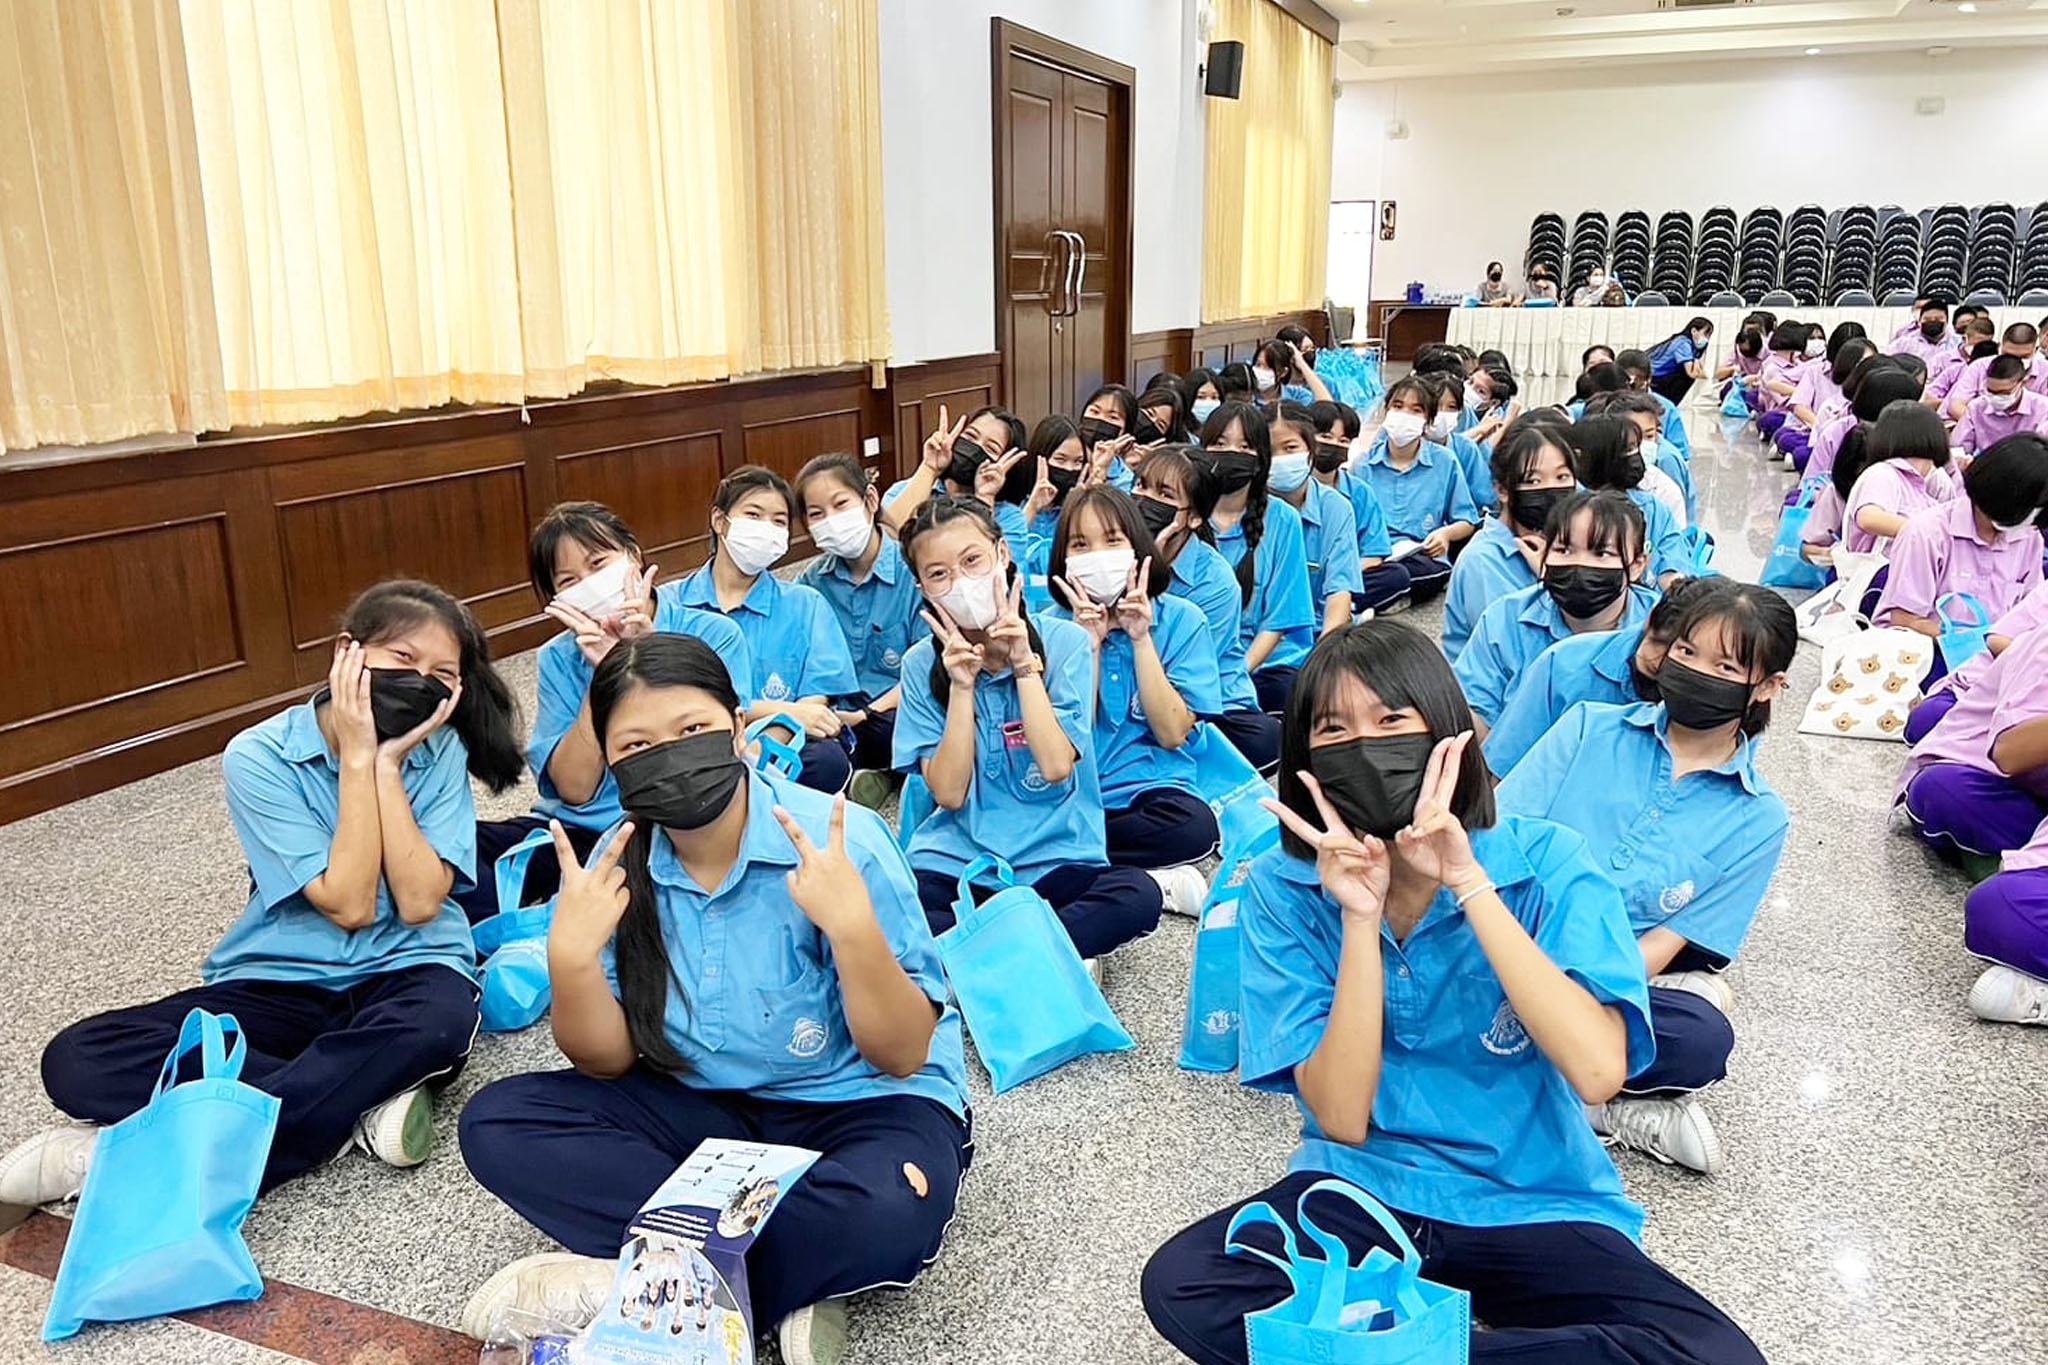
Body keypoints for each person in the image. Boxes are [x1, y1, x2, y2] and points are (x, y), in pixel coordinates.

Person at [1138, 619, 1763, 1365]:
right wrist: (1360, 920)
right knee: (1187, 1282)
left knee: (1712, 1354)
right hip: (1365, 1188)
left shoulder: (1546, 860)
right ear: (1305, 758)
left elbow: (1600, 1071)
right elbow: (1339, 1116)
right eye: (1333, 729)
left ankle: (1382, 1346)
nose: (1363, 745)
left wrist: (1468, 881)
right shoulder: (1282, 886)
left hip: (1531, 1196)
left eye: (1390, 720)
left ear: (1448, 736)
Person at [454, 634, 970, 1365]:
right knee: (498, 1121)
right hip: (703, 1108)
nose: (668, 753)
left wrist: (854, 932)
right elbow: (607, 1063)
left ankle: (632, 1292)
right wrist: (570, 961)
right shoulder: (616, 860)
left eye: (692, 730)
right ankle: (773, 1285)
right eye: (635, 742)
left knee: (888, 1210)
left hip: (859, 1105)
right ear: (609, 757)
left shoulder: (837, 839)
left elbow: (902, 1053)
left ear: (737, 727)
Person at [1, 581, 524, 1208]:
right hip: (281, 975)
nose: (421, 681)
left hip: (410, 970)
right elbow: (348, 902)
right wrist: (358, 759)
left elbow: (417, 904)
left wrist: (386, 768)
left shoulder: (439, 750)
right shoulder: (259, 755)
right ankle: (349, 1106)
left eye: (443, 672)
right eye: (403, 660)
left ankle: (126, 1160)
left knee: (435, 1026)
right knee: (80, 1060)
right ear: (347, 654)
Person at [1497, 583, 1794, 1177]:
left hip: (1601, 977)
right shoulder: (1586, 728)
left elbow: (1658, 947)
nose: (1694, 671)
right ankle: (1589, 1099)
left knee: (1701, 1039)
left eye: (1725, 666)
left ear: (1766, 687)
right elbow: (1494, 851)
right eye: (1685, 652)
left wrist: (1565, 1000)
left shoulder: (1759, 818)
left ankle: (1547, 1083)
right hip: (1501, 942)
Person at [893, 495, 1165, 958]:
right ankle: (1046, 958)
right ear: (923, 588)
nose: (961, 583)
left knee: (1136, 895)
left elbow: (1057, 765)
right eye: (939, 574)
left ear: (1002, 554)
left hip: (1055, 859)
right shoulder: (921, 665)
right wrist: (961, 687)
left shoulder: (1064, 641)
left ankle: (979, 961)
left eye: (972, 561)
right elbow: (950, 794)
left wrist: (1023, 664)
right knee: (895, 910)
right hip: (959, 860)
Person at [475, 503, 755, 917]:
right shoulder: (559, 656)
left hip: (679, 818)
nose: (588, 584)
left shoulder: (714, 632)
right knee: (459, 856)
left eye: (599, 563)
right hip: (583, 830)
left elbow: (714, 752)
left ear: (634, 557)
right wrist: (604, 673)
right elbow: (574, 789)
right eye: (568, 580)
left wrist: (642, 655)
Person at [1042, 485, 1220, 910]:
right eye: (1080, 545)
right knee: (1018, 823)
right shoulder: (1049, 628)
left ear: (1136, 547)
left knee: (1194, 830)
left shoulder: (1181, 619)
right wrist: (1087, 645)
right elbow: (1068, 740)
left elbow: (1173, 732)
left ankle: (1073, 863)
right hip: (1070, 790)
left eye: (1112, 540)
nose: (1097, 555)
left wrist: (1141, 639)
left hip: (1147, 789)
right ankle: (1152, 884)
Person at [676, 467, 861, 796]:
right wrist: (781, 712)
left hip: (779, 742)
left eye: (778, 521)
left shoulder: (805, 604)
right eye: (753, 514)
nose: (766, 528)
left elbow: (813, 708)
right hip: (696, 742)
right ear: (720, 521)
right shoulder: (672, 605)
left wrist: (764, 745)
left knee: (825, 759)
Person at [1454, 490, 1658, 729]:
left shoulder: (1661, 628)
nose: (1580, 563)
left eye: (1602, 553)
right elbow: (1472, 710)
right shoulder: (1505, 620)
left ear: (1637, 565)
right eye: (1564, 550)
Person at [1135, 444, 1282, 771]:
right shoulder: (1116, 552)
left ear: (1194, 517)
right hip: (1128, 693)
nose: (1145, 500)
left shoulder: (1215, 582)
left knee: (1262, 739)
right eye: (1141, 486)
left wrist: (1152, 581)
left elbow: (1181, 676)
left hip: (1200, 700)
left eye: (1165, 495)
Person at [1484, 575, 1719, 776]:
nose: (1670, 666)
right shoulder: (1565, 664)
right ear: (1650, 619)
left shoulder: (1718, 702)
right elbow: (1502, 770)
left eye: (1687, 656)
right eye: (1661, 646)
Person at [795, 455, 930, 789]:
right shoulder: (810, 583)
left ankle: (880, 773)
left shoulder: (912, 571)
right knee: (813, 744)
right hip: (837, 712)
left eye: (841, 504)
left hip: (892, 707)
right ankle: (875, 774)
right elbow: (805, 665)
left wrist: (867, 713)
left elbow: (929, 665)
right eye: (817, 514)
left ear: (870, 500)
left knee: (912, 724)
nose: (831, 520)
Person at [1899, 623, 2048, 886]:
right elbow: (2010, 754)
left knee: (2006, 907)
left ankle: (2021, 868)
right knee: (1945, 790)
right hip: (2005, 780)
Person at [1199, 401, 1317, 712]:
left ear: (1261, 460)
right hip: (1189, 665)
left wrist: (1235, 675)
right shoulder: (1186, 515)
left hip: (1261, 665)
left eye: (1245, 446)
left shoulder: (1283, 521)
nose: (1231, 453)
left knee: (1287, 699)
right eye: (1220, 444)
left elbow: (1278, 622)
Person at [1875, 433, 2048, 644]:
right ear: (2004, 495)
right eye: (2032, 509)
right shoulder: (1928, 533)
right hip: (1929, 650)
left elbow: (2030, 612)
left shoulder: (2028, 538)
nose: (2034, 519)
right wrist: (1969, 641)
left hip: (1995, 653)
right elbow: (1904, 620)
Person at [1442, 418, 1578, 661]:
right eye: (1533, 481)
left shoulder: (1570, 544)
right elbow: (1514, 651)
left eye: (1562, 477)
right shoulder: (1484, 560)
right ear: (1502, 490)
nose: (1551, 489)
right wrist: (1553, 580)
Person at [1354, 376, 1479, 603]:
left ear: (1428, 420)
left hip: (1420, 556)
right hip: (1373, 557)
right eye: (1398, 406)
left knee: (1423, 573)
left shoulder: (1445, 461)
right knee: (1384, 576)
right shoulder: (1363, 466)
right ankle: (1381, 598)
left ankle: (1362, 600)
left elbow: (1467, 520)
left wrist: (1445, 534)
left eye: (1416, 410)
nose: (1404, 416)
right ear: (1387, 411)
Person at [1268, 404, 1364, 638]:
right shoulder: (1246, 505)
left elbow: (1338, 592)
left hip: (1314, 631)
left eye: (1290, 448)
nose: (1279, 459)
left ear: (1311, 449)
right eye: (1269, 450)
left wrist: (1323, 653)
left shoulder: (1335, 508)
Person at [1310, 400, 1413, 614]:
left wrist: (1340, 573)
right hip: (1299, 573)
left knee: (1396, 576)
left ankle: (1342, 604)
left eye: (1344, 440)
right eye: (1326, 437)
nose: (1334, 445)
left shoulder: (1359, 492)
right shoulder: (1292, 487)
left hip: (1347, 573)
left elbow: (1374, 552)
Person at [1828, 399, 1957, 558]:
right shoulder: (1883, 474)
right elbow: (1869, 518)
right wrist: (1928, 531)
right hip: (1882, 575)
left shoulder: (1930, 479)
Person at [1569, 415, 1687, 587]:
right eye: (1627, 449)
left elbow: (1672, 565)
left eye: (1635, 448)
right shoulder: (1569, 508)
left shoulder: (1653, 507)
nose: (1635, 457)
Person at [1583, 390, 1694, 527]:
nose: (1641, 444)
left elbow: (1676, 540)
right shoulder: (1590, 477)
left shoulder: (1663, 487)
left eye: (1649, 436)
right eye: (1633, 437)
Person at [1421, 373, 1497, 513]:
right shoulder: (1408, 447)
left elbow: (1484, 498)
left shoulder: (1465, 448)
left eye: (1451, 407)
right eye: (1436, 406)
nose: (1442, 413)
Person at [1944, 323, 2048, 421]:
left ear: (2036, 350)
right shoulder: (1980, 367)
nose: (2014, 362)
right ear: (2000, 347)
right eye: (2008, 355)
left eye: (2023, 356)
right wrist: (1984, 424)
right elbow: (1956, 406)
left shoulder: (2045, 371)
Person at [1952, 354, 2048, 456]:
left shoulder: (2043, 409)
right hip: (1986, 466)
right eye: (1991, 391)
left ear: (2022, 383)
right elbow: (1958, 448)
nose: (1996, 397)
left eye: (2004, 392)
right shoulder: (1976, 407)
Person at [1646, 316, 1713, 406]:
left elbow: (1700, 371)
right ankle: (1669, 404)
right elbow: (1693, 373)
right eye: (1705, 334)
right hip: (1655, 376)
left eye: (1709, 335)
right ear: (1693, 331)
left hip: (1663, 375)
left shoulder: (1692, 346)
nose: (1707, 339)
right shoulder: (1683, 343)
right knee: (1686, 377)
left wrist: (1700, 352)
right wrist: (1696, 358)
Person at [1460, 363, 1521, 446]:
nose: (1469, 389)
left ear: (1494, 403)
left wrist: (1508, 420)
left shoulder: (1494, 422)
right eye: (1470, 381)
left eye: (1481, 391)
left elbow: (1486, 453)